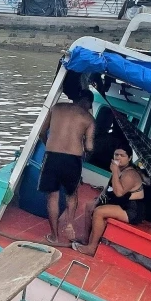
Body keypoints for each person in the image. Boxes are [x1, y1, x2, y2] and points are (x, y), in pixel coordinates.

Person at [38, 89, 95, 245]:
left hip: (52, 156)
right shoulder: (88, 118)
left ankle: (54, 236)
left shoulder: (56, 108)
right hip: (73, 159)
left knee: (53, 196)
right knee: (72, 194)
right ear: (87, 102)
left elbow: (42, 132)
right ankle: (70, 223)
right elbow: (89, 146)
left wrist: (48, 144)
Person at [76, 145, 145, 256]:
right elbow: (108, 188)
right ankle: (86, 240)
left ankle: (92, 247)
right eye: (116, 154)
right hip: (120, 204)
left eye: (122, 155)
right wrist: (97, 201)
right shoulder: (119, 170)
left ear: (129, 158)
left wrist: (115, 172)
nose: (118, 157)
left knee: (100, 212)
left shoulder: (130, 174)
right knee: (90, 206)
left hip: (131, 210)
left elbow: (119, 193)